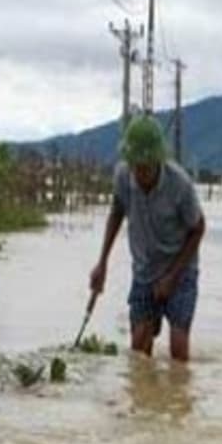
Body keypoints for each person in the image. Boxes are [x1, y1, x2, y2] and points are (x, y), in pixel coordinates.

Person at [88, 115, 206, 361]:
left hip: (181, 270)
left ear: (157, 161)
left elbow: (199, 228)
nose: (139, 173)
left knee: (178, 348)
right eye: (135, 166)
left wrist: (172, 277)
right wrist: (102, 263)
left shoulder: (180, 184)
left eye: (145, 167)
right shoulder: (122, 176)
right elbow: (117, 212)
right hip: (144, 269)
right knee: (139, 352)